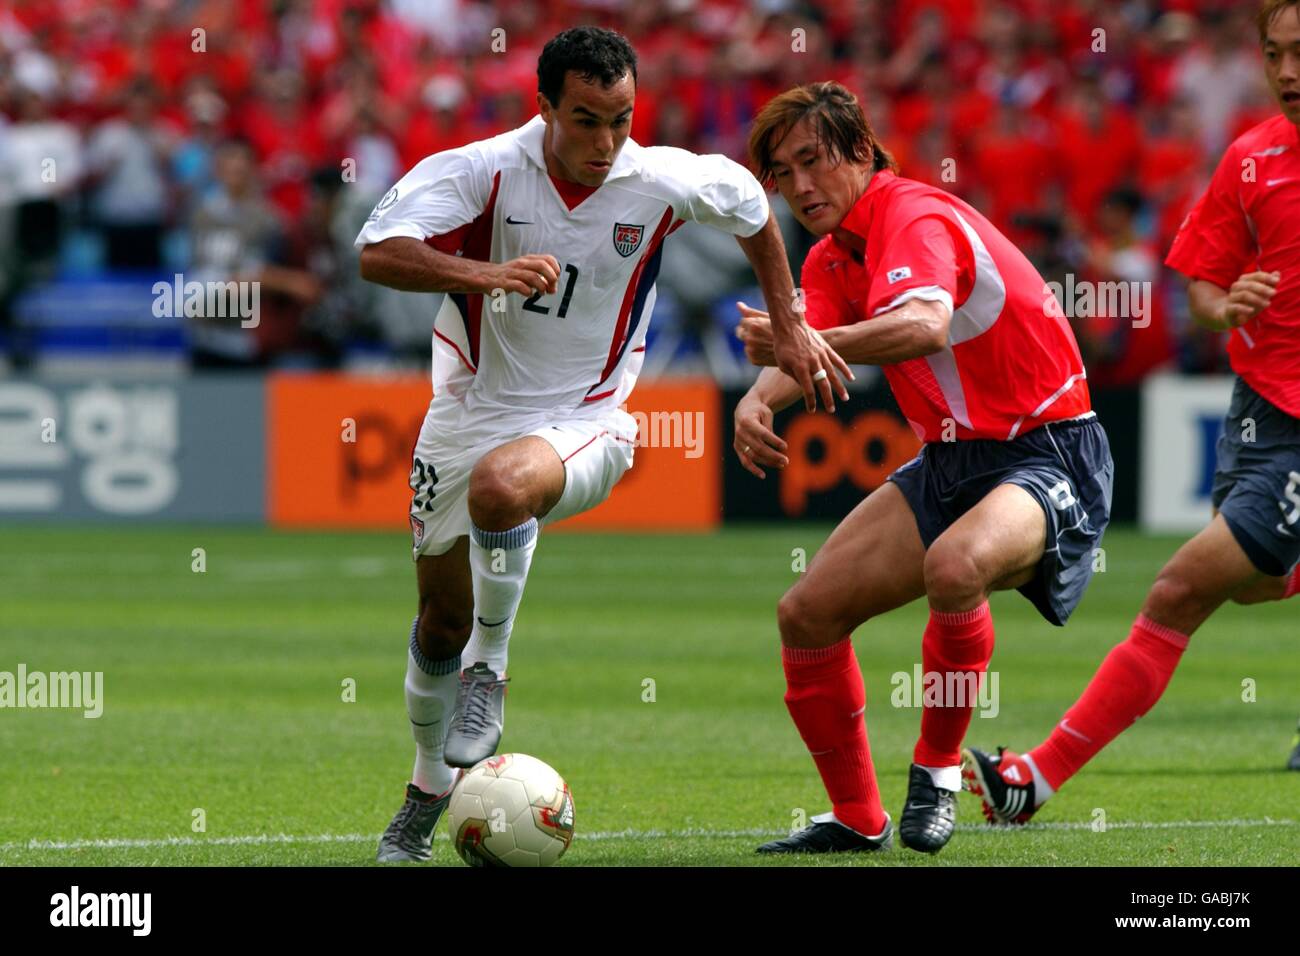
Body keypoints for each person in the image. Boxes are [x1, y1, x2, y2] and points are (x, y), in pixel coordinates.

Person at [355, 26, 850, 863]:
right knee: (438, 621)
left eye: (621, 118)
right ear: (543, 106)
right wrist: (486, 275)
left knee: (502, 491)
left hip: (590, 421)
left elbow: (755, 212)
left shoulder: (657, 177)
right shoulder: (482, 170)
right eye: (585, 119)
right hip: (467, 411)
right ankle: (426, 787)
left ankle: (494, 669)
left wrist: (793, 324)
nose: (605, 141)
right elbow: (376, 253)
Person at [733, 81, 1113, 854]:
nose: (800, 186)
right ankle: (856, 819)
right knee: (805, 615)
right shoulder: (832, 255)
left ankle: (936, 772)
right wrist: (758, 399)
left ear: (863, 153)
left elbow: (923, 323)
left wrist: (801, 350)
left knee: (956, 565)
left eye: (814, 161)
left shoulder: (914, 215)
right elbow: (817, 343)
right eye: (783, 173)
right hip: (950, 460)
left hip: (1051, 449)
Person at [964, 0, 1300, 826]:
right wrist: (1227, 308)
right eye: (1273, 53)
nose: (1287, 72)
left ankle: (1031, 781)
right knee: (1259, 584)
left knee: (1179, 588)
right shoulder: (1252, 160)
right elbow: (1201, 286)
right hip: (1257, 410)